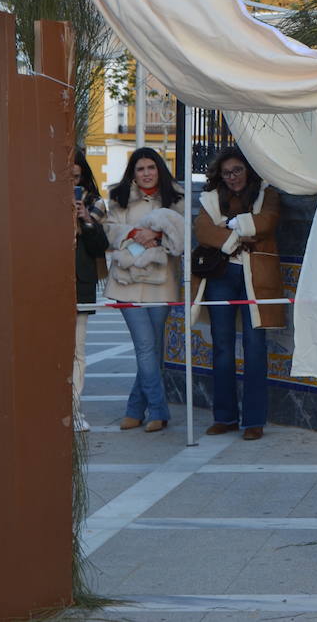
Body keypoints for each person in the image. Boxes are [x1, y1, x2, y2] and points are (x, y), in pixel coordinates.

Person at [191, 148, 285, 441]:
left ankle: (253, 420)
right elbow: (203, 230)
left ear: (249, 170)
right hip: (220, 277)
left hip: (256, 279)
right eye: (227, 172)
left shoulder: (267, 193)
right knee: (221, 347)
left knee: (255, 348)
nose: (232, 178)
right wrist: (238, 236)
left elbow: (267, 222)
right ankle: (225, 417)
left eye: (237, 171)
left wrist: (230, 225)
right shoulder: (210, 198)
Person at [103, 148, 185, 433]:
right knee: (146, 348)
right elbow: (110, 230)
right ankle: (159, 412)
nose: (147, 172)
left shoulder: (177, 198)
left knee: (153, 350)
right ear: (133, 173)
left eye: (151, 167)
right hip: (126, 283)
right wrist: (135, 234)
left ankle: (135, 409)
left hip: (161, 284)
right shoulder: (118, 197)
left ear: (159, 169)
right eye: (140, 168)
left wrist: (160, 234)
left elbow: (183, 235)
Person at [72, 149, 109, 433]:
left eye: (76, 169)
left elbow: (99, 248)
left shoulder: (95, 203)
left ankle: (73, 409)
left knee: (77, 350)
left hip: (79, 283)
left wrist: (85, 219)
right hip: (45, 282)